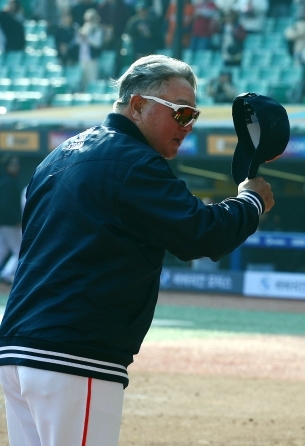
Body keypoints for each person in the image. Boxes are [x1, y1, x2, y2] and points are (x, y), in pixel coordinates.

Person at [0, 55, 274, 446]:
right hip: (75, 355)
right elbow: (201, 234)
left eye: (193, 115)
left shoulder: (58, 156)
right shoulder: (134, 161)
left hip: (17, 350)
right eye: (180, 113)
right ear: (138, 105)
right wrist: (251, 202)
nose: (189, 125)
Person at [0, 155, 22, 285]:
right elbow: (6, 205)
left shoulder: (6, 180)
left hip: (3, 221)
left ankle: (5, 274)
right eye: (13, 165)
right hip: (8, 222)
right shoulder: (8, 182)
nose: (16, 168)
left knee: (2, 248)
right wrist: (16, 220)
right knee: (19, 250)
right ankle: (6, 275)